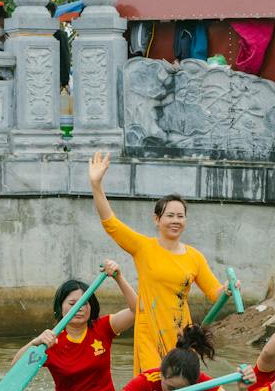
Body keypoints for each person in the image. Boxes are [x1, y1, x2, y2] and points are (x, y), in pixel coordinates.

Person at [88, 148, 223, 377]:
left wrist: (229, 289)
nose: (175, 221)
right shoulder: (144, 247)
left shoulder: (195, 256)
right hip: (150, 333)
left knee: (181, 389)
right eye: (170, 215)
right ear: (157, 219)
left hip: (182, 336)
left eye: (180, 216)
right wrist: (96, 185)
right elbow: (110, 223)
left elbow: (215, 293)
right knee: (153, 388)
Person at [16, 260, 141, 391]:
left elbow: (137, 310)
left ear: (91, 307)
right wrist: (34, 343)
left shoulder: (103, 327)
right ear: (60, 307)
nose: (80, 308)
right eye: (73, 303)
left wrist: (118, 278)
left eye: (85, 303)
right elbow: (15, 369)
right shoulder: (51, 341)